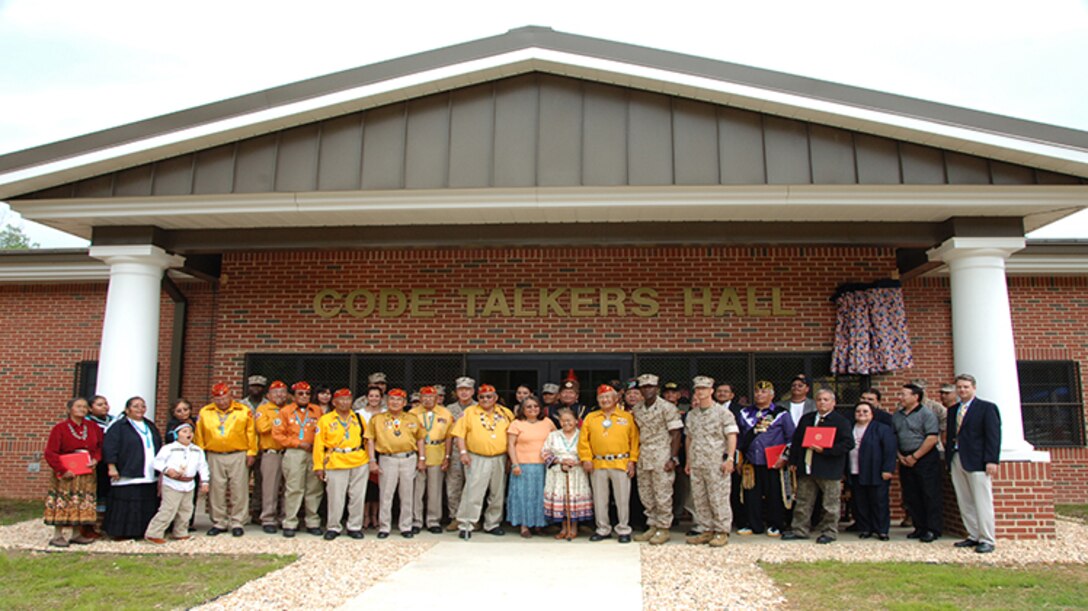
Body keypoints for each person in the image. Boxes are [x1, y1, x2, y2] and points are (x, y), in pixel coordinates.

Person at [781, 389, 853, 544]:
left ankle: (829, 532)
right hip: (807, 466)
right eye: (819, 399)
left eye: (826, 399)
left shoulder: (841, 421)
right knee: (803, 501)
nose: (822, 402)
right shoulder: (807, 419)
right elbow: (797, 442)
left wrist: (826, 450)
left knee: (830, 504)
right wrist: (793, 461)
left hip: (829, 468)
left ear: (833, 403)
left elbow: (848, 444)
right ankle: (800, 530)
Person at [947, 373, 1002, 554]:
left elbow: (993, 436)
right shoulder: (953, 410)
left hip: (978, 460)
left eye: (966, 387)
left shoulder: (986, 408)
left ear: (974, 388)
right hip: (957, 457)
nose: (962, 390)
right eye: (959, 387)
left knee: (982, 500)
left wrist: (991, 460)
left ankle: (987, 538)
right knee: (965, 499)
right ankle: (973, 535)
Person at [194, 383, 257, 537]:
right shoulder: (205, 412)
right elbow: (199, 435)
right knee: (216, 489)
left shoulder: (243, 411)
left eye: (224, 398)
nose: (222, 401)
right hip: (214, 454)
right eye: (218, 399)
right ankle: (219, 521)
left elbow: (251, 433)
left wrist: (251, 452)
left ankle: (237, 521)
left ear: (231, 396)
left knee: (239, 489)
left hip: (238, 453)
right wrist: (200, 455)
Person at [451, 383, 513, 539]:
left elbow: (513, 435)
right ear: (477, 398)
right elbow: (459, 434)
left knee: (497, 493)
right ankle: (466, 524)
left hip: (499, 457)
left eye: (489, 396)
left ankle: (492, 524)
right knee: (473, 492)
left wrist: (511, 459)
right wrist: (463, 452)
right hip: (476, 457)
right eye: (482, 397)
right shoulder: (470, 413)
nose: (486, 399)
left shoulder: (505, 413)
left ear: (496, 398)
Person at [579, 384, 639, 543]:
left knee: (622, 499)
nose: (605, 400)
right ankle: (603, 528)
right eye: (601, 398)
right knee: (600, 499)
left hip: (621, 462)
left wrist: (632, 461)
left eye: (608, 397)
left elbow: (635, 441)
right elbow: (583, 441)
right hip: (598, 463)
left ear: (615, 399)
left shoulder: (626, 417)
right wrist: (586, 458)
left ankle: (623, 529)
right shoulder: (591, 417)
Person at [684, 376, 739, 547]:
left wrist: (730, 458)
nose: (700, 392)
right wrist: (688, 460)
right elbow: (689, 438)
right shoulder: (692, 414)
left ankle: (722, 531)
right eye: (697, 389)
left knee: (718, 498)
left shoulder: (723, 413)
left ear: (711, 391)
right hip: (698, 462)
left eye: (704, 388)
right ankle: (707, 529)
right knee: (700, 498)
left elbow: (731, 436)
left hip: (716, 462)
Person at [630, 373, 683, 545]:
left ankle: (663, 528)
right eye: (644, 387)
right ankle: (652, 525)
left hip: (662, 453)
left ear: (657, 389)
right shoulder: (637, 409)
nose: (647, 390)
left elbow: (676, 434)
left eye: (650, 387)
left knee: (662, 493)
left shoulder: (667, 408)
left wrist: (673, 457)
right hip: (644, 454)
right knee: (646, 493)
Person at [43, 397, 103, 547]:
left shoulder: (92, 427)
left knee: (82, 502)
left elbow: (99, 447)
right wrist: (62, 469)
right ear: (69, 409)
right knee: (64, 501)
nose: (82, 409)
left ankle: (77, 534)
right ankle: (57, 535)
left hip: (86, 471)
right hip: (67, 472)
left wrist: (96, 459)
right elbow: (51, 452)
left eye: (84, 407)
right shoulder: (60, 428)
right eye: (78, 407)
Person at [737, 380, 795, 537]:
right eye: (757, 392)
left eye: (764, 392)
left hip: (773, 462)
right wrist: (738, 458)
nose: (760, 395)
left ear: (772, 394)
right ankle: (753, 524)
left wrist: (785, 457)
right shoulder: (744, 413)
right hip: (751, 461)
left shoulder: (781, 414)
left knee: (774, 494)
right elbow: (738, 438)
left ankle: (776, 524)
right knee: (751, 495)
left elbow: (791, 439)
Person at [366, 388, 426, 539]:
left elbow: (420, 439)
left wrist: (422, 459)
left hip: (408, 458)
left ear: (404, 402)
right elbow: (370, 440)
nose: (395, 402)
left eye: (399, 400)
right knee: (386, 493)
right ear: (387, 401)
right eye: (392, 399)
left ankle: (406, 526)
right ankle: (384, 526)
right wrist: (372, 460)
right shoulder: (377, 419)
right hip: (388, 458)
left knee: (407, 494)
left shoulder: (412, 418)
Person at [103, 396, 163, 540]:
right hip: (128, 470)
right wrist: (112, 466)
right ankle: (120, 532)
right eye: (136, 406)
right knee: (125, 503)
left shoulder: (150, 425)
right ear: (127, 409)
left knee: (145, 501)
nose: (140, 409)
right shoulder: (119, 426)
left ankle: (142, 531)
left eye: (143, 406)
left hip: (148, 471)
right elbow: (110, 447)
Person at [314, 388, 369, 540]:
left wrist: (370, 460)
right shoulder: (326, 420)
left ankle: (354, 526)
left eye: (348, 399)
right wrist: (318, 465)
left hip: (358, 459)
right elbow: (319, 444)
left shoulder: (358, 418)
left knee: (357, 496)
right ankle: (333, 526)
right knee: (335, 497)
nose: (345, 402)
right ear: (334, 402)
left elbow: (366, 440)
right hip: (336, 460)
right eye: (341, 399)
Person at [272, 381, 325, 537]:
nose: (304, 396)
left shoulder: (317, 410)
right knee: (294, 487)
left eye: (307, 394)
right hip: (294, 452)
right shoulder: (285, 411)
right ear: (293, 395)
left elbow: (324, 430)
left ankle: (312, 521)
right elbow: (277, 435)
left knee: (314, 488)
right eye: (300, 393)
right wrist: (297, 444)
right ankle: (290, 521)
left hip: (314, 452)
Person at [144, 423, 210, 544]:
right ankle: (154, 533)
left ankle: (180, 532)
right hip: (172, 484)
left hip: (189, 484)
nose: (188, 434)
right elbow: (156, 463)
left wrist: (205, 481)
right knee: (168, 509)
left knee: (186, 510)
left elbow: (203, 466)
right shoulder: (168, 448)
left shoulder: (197, 450)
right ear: (176, 434)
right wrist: (167, 470)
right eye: (184, 432)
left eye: (190, 431)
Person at [893, 383, 942, 543]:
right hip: (905, 459)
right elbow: (895, 436)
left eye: (904, 394)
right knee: (911, 495)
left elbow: (932, 438)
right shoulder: (897, 415)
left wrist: (915, 456)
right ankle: (919, 527)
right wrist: (900, 456)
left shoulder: (926, 414)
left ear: (915, 397)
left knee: (928, 493)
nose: (900, 398)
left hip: (924, 458)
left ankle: (932, 529)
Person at [506, 395, 556, 537]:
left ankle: (540, 525)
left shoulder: (547, 422)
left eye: (535, 406)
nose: (533, 409)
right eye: (528, 406)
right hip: (523, 466)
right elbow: (510, 445)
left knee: (540, 496)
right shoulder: (516, 424)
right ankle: (524, 526)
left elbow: (555, 441)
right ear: (522, 409)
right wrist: (515, 464)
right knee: (523, 496)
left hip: (544, 467)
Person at [847, 401, 897, 540]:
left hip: (876, 471)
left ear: (872, 414)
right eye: (858, 411)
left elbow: (889, 450)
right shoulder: (850, 427)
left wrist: (887, 469)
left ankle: (881, 530)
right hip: (855, 470)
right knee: (860, 502)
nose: (861, 414)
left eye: (865, 411)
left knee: (879, 501)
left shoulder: (882, 429)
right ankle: (865, 528)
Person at [542, 408, 594, 539]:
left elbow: (590, 452)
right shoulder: (553, 435)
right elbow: (545, 452)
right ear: (559, 422)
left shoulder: (582, 435)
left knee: (573, 499)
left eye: (569, 420)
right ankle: (564, 528)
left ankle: (574, 528)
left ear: (576, 421)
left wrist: (577, 462)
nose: (566, 423)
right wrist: (560, 461)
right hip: (558, 472)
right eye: (563, 420)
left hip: (577, 472)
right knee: (563, 499)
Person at [408, 386, 453, 534]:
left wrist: (447, 456)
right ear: (420, 398)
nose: (427, 400)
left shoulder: (445, 413)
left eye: (431, 397)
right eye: (424, 397)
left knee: (435, 490)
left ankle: (433, 520)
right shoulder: (412, 413)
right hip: (417, 454)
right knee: (417, 490)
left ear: (437, 398)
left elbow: (448, 437)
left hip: (437, 452)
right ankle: (416, 520)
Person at [255, 380, 289, 533]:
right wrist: (278, 420)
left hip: (288, 452)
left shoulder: (290, 409)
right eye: (276, 392)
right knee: (270, 488)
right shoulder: (263, 409)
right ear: (268, 395)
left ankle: (285, 517)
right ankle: (268, 518)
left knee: (289, 487)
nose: (280, 395)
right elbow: (262, 428)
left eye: (282, 392)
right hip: (271, 453)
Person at [444, 376, 477, 531]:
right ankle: (455, 517)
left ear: (473, 391)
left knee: (472, 486)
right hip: (456, 452)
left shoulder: (479, 408)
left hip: (474, 452)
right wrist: (447, 456)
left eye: (467, 389)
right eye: (461, 389)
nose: (464, 392)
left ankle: (472, 518)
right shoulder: (449, 409)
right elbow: (448, 435)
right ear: (456, 392)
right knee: (454, 486)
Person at [715, 382, 748, 533]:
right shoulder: (709, 409)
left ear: (732, 395)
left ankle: (739, 520)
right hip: (712, 454)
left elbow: (743, 433)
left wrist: (735, 454)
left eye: (725, 392)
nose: (722, 394)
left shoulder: (740, 411)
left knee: (734, 489)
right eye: (719, 391)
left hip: (732, 454)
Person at [355, 385, 385, 529]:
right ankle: (365, 516)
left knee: (379, 486)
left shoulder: (385, 413)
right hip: (363, 451)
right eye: (371, 396)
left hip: (381, 451)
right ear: (366, 398)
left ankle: (376, 516)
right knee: (364, 486)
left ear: (381, 398)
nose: (374, 399)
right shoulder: (358, 414)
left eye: (377, 396)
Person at [86, 394, 114, 538]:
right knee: (96, 492)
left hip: (109, 461)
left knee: (107, 493)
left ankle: (105, 524)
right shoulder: (88, 424)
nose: (104, 407)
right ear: (90, 409)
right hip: (95, 462)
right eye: (99, 404)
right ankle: (91, 526)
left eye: (105, 403)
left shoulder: (113, 421)